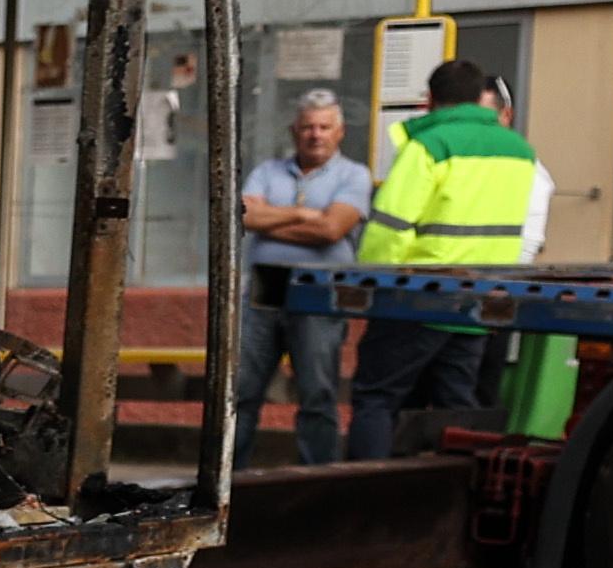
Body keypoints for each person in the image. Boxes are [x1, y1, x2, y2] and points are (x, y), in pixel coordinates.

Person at [337, 57, 545, 460]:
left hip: (418, 296)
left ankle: (363, 496)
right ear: (476, 97)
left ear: (430, 99)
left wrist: (370, 286)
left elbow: (390, 226)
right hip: (479, 300)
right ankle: (456, 502)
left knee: (376, 399)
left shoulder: (429, 144)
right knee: (458, 410)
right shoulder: (520, 151)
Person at [227, 89, 370, 464]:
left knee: (317, 392)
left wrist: (271, 220)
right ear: (294, 131)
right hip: (265, 287)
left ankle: (317, 475)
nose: (315, 134)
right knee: (241, 391)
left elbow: (330, 231)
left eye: (324, 127)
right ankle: (229, 476)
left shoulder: (354, 175)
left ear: (340, 132)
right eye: (308, 127)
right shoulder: (267, 171)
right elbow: (242, 217)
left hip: (320, 291)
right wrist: (305, 214)